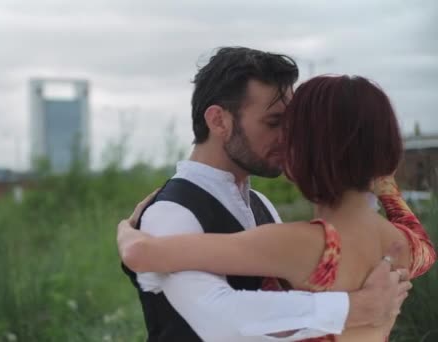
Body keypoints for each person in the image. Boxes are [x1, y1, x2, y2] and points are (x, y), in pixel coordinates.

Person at [118, 47, 413, 341]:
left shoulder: (261, 204)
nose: (288, 137)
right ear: (219, 121)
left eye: (291, 124)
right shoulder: (170, 211)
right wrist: (353, 308)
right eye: (274, 123)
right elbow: (219, 322)